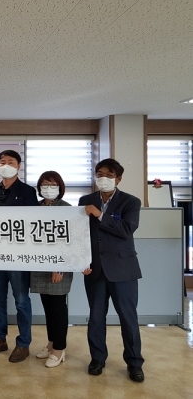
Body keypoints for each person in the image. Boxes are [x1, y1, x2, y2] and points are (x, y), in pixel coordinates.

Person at [79, 158, 145, 382]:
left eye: (109, 175)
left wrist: (100, 215)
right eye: (100, 174)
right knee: (96, 317)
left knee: (128, 318)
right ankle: (97, 358)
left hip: (123, 270)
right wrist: (82, 261)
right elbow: (81, 234)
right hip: (94, 270)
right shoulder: (85, 200)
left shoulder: (131, 201)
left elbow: (127, 229)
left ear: (118, 179)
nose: (103, 179)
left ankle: (134, 363)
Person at [0, 149, 37, 363]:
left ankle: (23, 343)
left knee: (21, 301)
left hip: (18, 256)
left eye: (11, 162)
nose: (6, 165)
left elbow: (33, 222)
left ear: (19, 166)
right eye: (2, 162)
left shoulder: (27, 191)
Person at [30, 171, 73, 368]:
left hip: (58, 267)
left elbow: (69, 241)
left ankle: (59, 349)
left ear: (60, 187)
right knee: (47, 307)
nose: (48, 188)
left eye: (53, 184)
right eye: (45, 184)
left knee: (57, 308)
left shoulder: (67, 209)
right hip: (40, 265)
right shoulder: (35, 207)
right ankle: (51, 343)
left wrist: (60, 267)